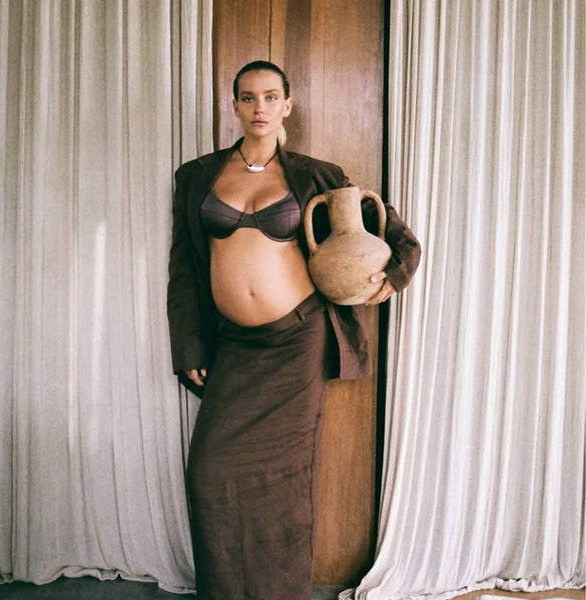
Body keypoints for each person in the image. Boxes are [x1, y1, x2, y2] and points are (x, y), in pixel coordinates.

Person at [167, 60, 421, 600]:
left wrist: (390, 279)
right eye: (248, 97)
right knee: (209, 474)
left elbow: (396, 234)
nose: (259, 107)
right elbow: (184, 268)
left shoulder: (316, 175)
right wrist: (188, 344)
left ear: (287, 105)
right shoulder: (197, 176)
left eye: (270, 97)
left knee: (284, 488)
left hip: (297, 344)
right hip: (233, 345)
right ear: (234, 105)